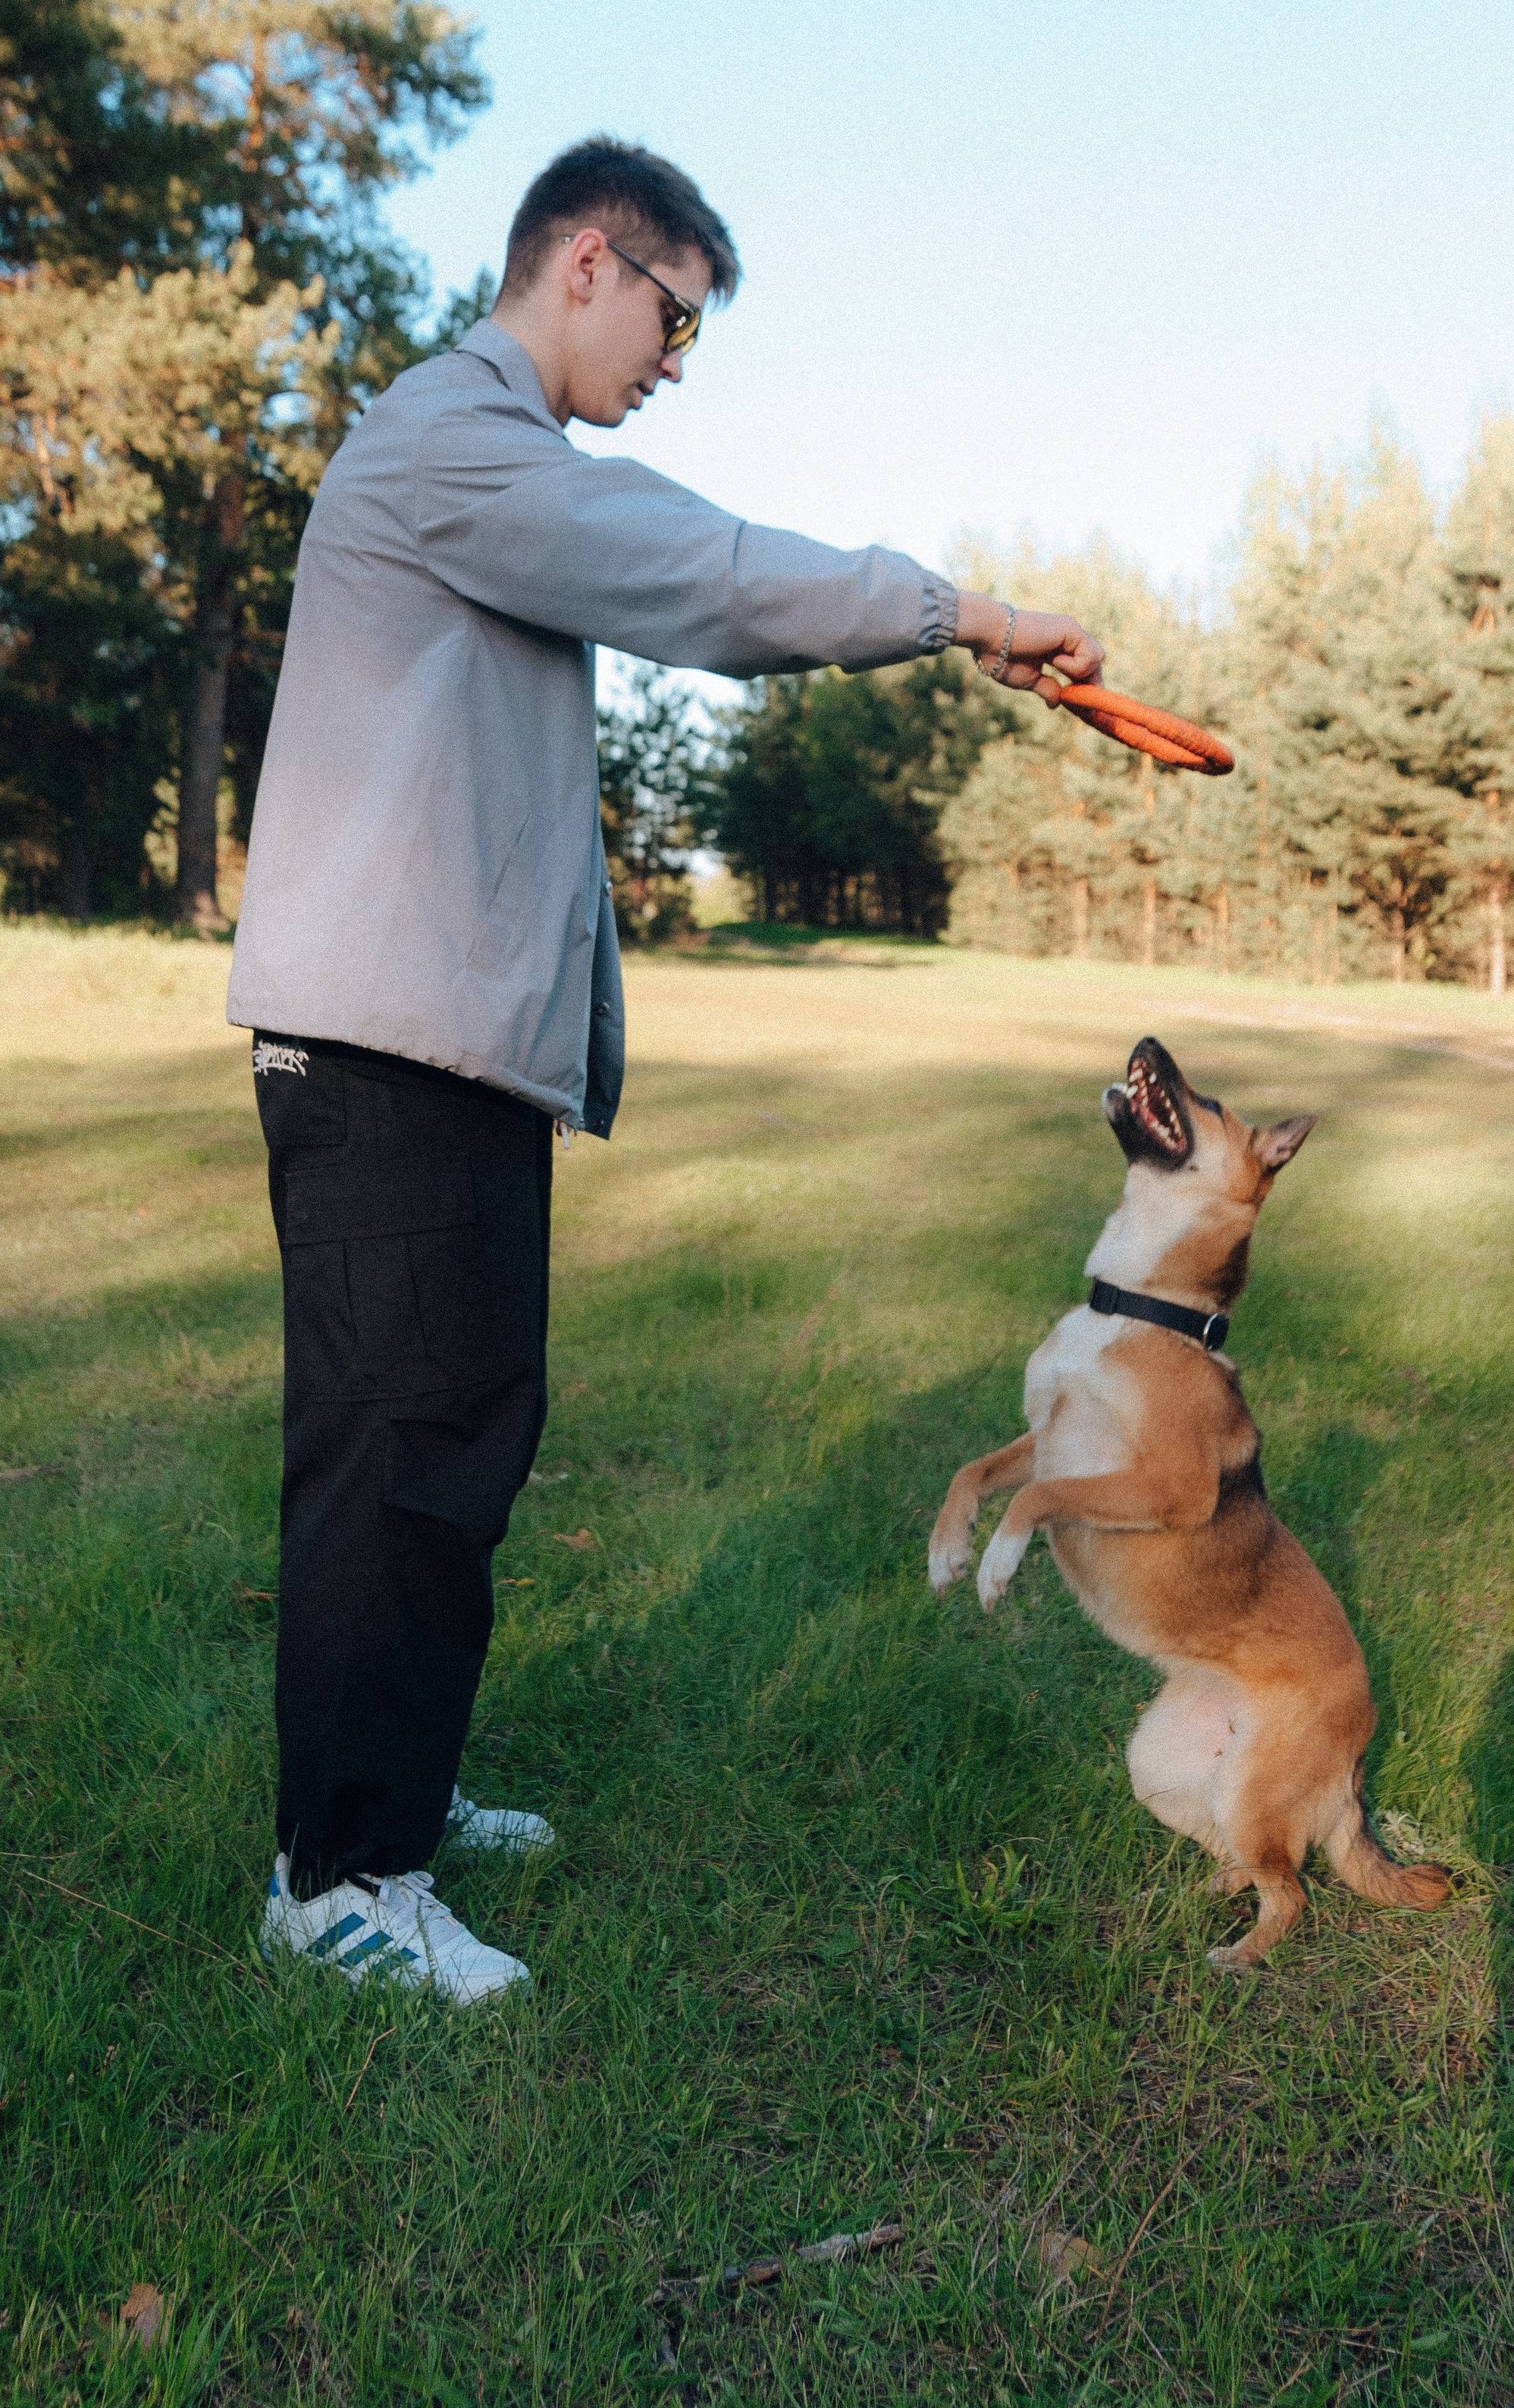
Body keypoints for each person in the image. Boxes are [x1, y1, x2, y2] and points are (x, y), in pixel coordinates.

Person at [227, 136, 1105, 2001]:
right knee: (404, 1455)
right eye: (674, 316)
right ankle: (338, 1886)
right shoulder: (458, 440)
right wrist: (957, 614)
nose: (675, 357)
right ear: (586, 263)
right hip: (389, 1056)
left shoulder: (482, 456)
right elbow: (697, 576)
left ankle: (392, 1795)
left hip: (429, 1050)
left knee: (454, 1434)